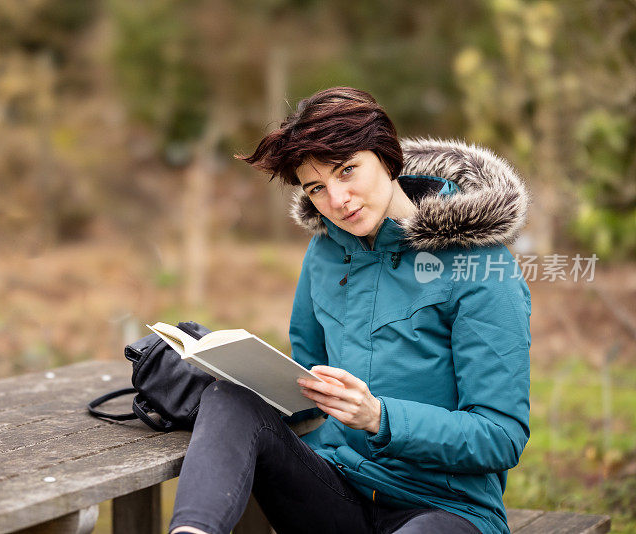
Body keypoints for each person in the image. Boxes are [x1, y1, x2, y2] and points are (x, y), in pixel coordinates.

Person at [168, 87, 531, 534]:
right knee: (231, 400)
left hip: (445, 509)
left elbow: (501, 435)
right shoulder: (324, 254)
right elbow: (305, 388)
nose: (337, 200)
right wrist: (246, 374)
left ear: (387, 157)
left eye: (347, 170)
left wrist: (378, 416)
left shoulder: (479, 264)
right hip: (336, 488)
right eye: (316, 187)